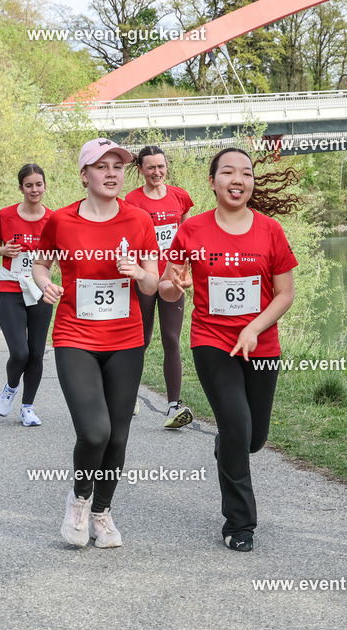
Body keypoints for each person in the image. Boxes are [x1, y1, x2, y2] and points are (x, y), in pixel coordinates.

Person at [159, 148, 300, 552]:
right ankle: (240, 524)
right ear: (212, 182)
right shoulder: (192, 230)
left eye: (246, 173)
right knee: (237, 427)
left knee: (253, 439)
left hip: (261, 344)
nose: (238, 180)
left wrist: (254, 328)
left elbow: (285, 294)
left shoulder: (270, 231)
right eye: (228, 172)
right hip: (213, 341)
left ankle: (228, 447)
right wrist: (175, 286)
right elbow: (167, 286)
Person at [32, 138, 160, 548]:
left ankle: (102, 512)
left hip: (126, 339)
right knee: (94, 432)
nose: (111, 173)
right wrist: (46, 284)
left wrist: (139, 273)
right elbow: (40, 264)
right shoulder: (61, 221)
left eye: (117, 166)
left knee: (118, 436)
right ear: (84, 174)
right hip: (75, 336)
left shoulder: (139, 220)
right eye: (101, 166)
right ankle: (79, 501)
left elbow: (153, 283)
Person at [124, 145, 195, 428]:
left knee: (171, 339)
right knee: (141, 339)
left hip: (172, 276)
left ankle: (173, 407)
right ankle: (128, 395)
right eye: (151, 167)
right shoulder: (132, 200)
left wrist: (188, 265)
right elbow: (129, 237)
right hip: (145, 275)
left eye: (161, 166)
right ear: (141, 169)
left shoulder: (180, 196)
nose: (157, 172)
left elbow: (188, 233)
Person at [0, 163, 54, 427]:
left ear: (45, 186)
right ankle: (11, 387)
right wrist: (3, 251)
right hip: (9, 287)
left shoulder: (54, 219)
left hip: (40, 290)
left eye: (38, 184)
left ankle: (28, 407)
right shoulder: (5, 215)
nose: (34, 190)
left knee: (36, 353)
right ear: (21, 188)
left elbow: (63, 252)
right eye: (29, 185)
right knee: (20, 352)